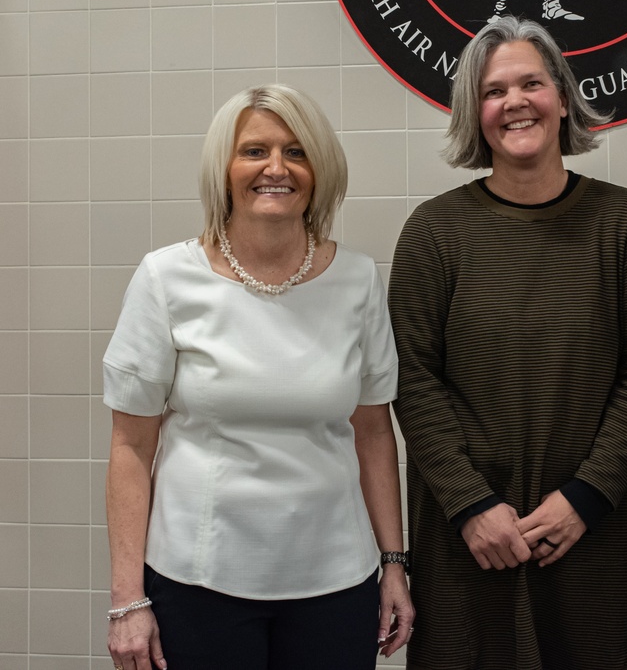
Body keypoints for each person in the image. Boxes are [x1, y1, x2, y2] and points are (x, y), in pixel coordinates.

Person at [388, 15, 627, 670]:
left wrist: (588, 494)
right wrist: (470, 504)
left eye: (531, 84)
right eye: (493, 91)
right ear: (474, 113)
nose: (514, 102)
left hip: (587, 536)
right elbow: (412, 378)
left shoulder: (623, 224)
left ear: (563, 98)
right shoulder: (434, 233)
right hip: (467, 542)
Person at [103, 85, 414, 670]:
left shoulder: (357, 280)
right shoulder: (167, 279)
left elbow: (374, 431)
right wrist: (127, 600)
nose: (276, 168)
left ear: (319, 171)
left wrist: (393, 563)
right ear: (223, 170)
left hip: (337, 585)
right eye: (254, 151)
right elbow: (130, 444)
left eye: (297, 152)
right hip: (197, 584)